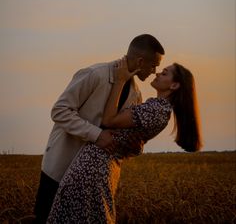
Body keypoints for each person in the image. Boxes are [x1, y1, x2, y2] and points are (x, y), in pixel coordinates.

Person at [47, 57, 202, 224]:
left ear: (174, 85)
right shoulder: (158, 109)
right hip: (100, 167)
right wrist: (136, 147)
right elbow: (132, 139)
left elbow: (109, 121)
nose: (157, 72)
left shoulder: (156, 109)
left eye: (164, 73)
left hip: (94, 167)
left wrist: (120, 81)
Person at [34, 34, 165, 223]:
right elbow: (60, 111)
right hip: (59, 171)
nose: (154, 72)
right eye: (153, 65)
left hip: (92, 185)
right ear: (140, 61)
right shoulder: (95, 74)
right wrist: (97, 135)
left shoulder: (136, 95)